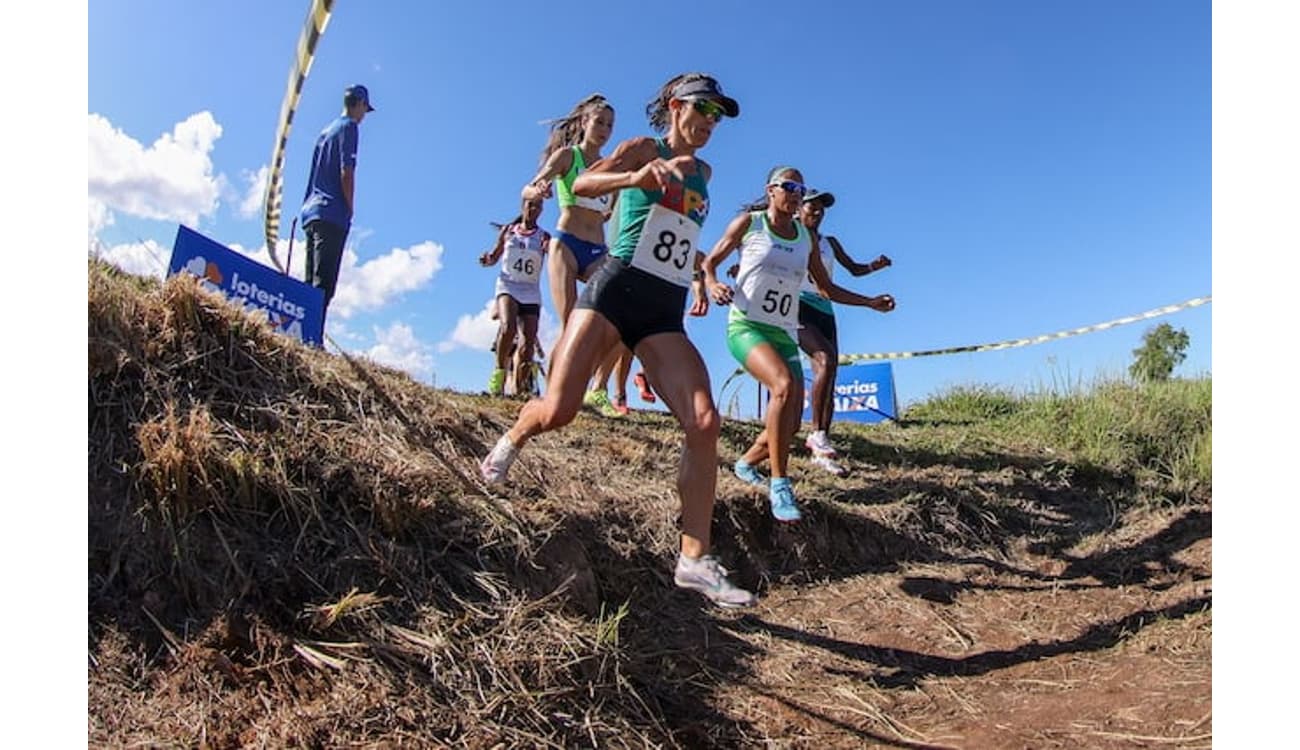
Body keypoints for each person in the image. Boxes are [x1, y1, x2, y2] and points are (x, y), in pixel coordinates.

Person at [480, 73, 757, 608]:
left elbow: (685, 239)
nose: (709, 123)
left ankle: (694, 559)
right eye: (702, 109)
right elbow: (582, 186)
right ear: (676, 106)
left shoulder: (704, 172)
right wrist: (634, 180)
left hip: (662, 311)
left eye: (718, 116)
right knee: (560, 408)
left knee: (704, 421)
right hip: (615, 290)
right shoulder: (640, 148)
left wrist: (703, 280)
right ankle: (510, 440)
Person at [701, 167, 896, 522]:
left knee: (789, 426)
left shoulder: (806, 240)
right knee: (785, 385)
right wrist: (713, 284)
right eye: (789, 187)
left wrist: (869, 302)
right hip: (747, 326)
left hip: (783, 331)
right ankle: (780, 483)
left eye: (799, 188)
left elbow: (827, 290)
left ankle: (745, 463)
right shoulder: (750, 223)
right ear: (771, 190)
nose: (795, 193)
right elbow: (709, 262)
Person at [796, 188, 894, 474]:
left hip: (825, 309)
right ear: (798, 209)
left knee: (829, 372)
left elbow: (854, 269)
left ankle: (821, 443)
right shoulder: (791, 235)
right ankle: (813, 435)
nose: (817, 212)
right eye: (811, 207)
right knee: (824, 359)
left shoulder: (830, 242)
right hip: (796, 305)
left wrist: (875, 266)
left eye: (821, 208)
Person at [298, 84, 375, 321]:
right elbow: (346, 172)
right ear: (359, 103)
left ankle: (303, 333)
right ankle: (312, 338)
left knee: (310, 283)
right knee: (324, 285)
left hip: (311, 211)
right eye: (365, 108)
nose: (364, 116)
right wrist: (349, 207)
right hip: (332, 212)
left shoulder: (326, 131)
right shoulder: (349, 127)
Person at [480, 196, 550, 396]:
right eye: (530, 205)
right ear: (523, 206)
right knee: (508, 327)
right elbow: (494, 256)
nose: (534, 209)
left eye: (538, 206)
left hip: (531, 292)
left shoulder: (544, 236)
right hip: (508, 286)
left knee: (528, 345)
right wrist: (487, 259)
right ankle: (499, 374)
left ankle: (521, 388)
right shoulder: (509, 231)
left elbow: (553, 255)